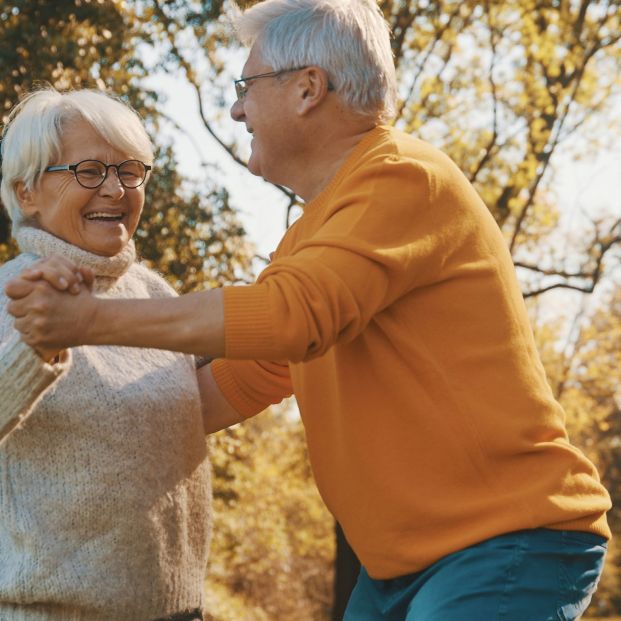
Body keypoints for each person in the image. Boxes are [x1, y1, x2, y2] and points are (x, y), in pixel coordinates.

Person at [6, 1, 612, 619]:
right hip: (401, 564)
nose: (238, 107)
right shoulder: (317, 231)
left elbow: (293, 316)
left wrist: (88, 322)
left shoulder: (402, 178)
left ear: (307, 89)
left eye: (247, 86)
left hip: (505, 535)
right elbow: (255, 372)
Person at [0, 88, 211, 621]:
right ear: (27, 191)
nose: (116, 189)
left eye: (130, 170)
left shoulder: (159, 298)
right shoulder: (8, 294)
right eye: (90, 170)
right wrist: (36, 351)